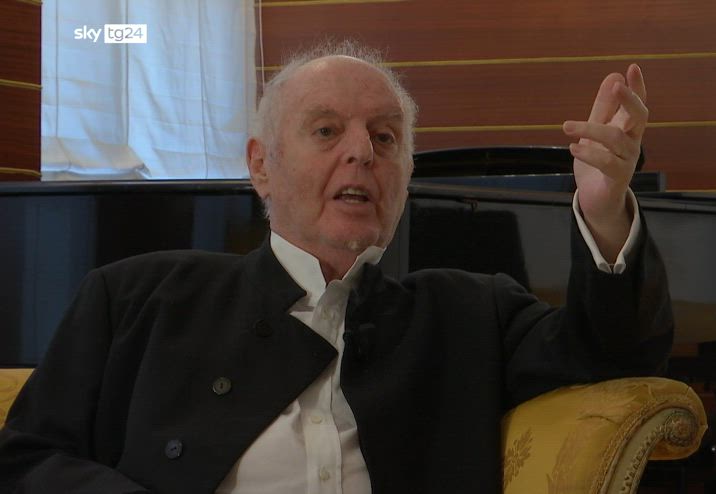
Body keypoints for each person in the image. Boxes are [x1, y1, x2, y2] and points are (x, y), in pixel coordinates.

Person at [0, 41, 672, 493]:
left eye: (385, 137)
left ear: (405, 176)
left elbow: (613, 351)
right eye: (326, 131)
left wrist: (603, 208)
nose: (362, 153)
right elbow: (26, 459)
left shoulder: (469, 313)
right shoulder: (136, 298)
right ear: (261, 165)